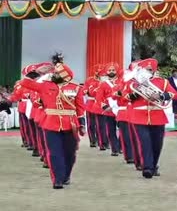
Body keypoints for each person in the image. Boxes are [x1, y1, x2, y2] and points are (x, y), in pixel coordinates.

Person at [19, 53, 86, 189]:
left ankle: (66, 175)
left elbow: (80, 108)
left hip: (70, 124)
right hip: (51, 123)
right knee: (54, 152)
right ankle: (57, 179)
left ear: (64, 75)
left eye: (56, 73)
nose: (52, 74)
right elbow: (24, 83)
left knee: (70, 153)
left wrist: (82, 124)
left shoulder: (76, 88)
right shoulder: (45, 86)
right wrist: (36, 72)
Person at [124, 58, 177, 179]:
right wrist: (136, 94)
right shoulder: (133, 82)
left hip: (158, 116)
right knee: (145, 142)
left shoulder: (162, 82)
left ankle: (153, 166)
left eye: (150, 70)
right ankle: (147, 168)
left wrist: (161, 95)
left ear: (154, 70)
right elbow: (124, 97)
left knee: (157, 144)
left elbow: (175, 95)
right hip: (139, 117)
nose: (148, 71)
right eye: (146, 69)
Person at [94, 62, 121, 156]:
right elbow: (99, 98)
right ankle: (114, 149)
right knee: (110, 131)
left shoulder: (122, 82)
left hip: (121, 110)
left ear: (116, 71)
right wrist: (105, 107)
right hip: (109, 111)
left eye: (113, 70)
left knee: (124, 131)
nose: (111, 72)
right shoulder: (103, 84)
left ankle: (120, 146)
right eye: (109, 70)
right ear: (107, 72)